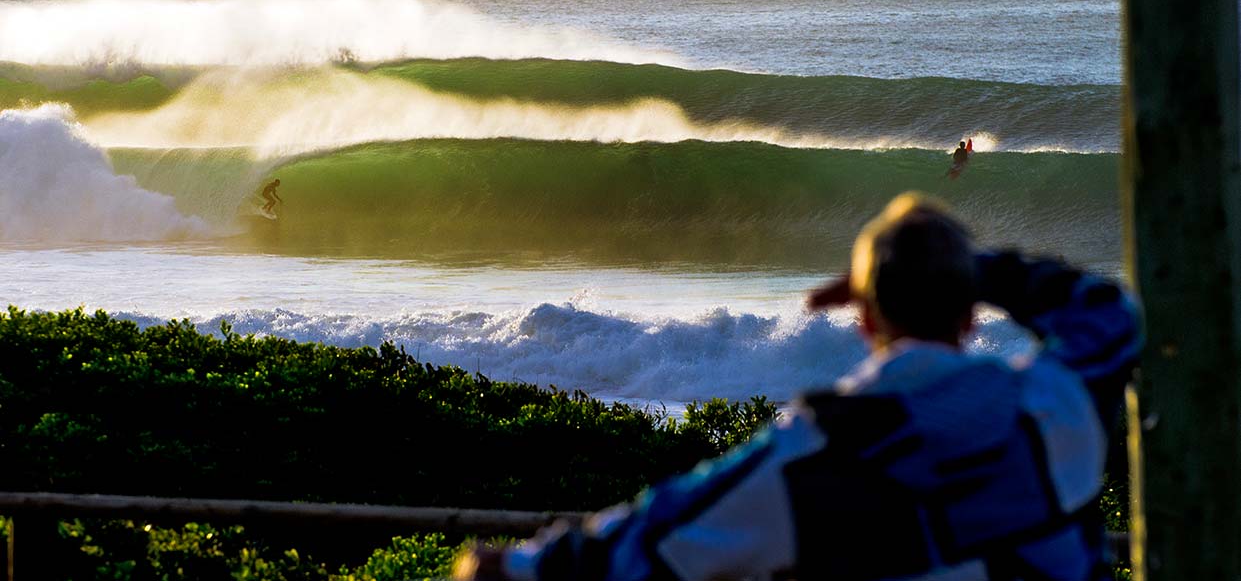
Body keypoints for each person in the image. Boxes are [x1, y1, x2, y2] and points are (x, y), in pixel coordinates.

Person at [454, 193, 1141, 581]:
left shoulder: (812, 456)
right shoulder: (1055, 410)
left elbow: (653, 537)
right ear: (969, 312)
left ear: (864, 315)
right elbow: (1107, 314)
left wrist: (509, 570)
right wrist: (966, 266)